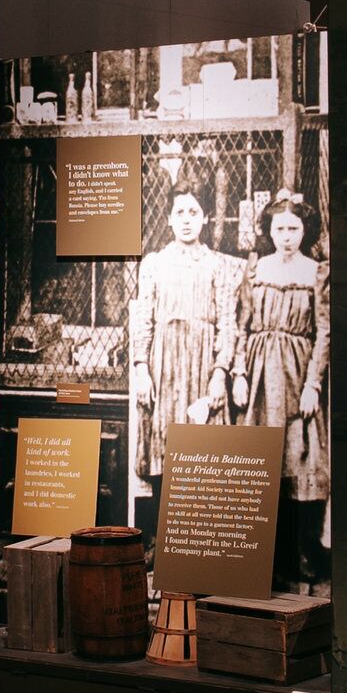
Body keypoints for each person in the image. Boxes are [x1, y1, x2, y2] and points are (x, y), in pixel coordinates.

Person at [232, 193, 329, 590]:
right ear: (268, 231)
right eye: (279, 229)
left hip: (296, 370)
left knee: (299, 461)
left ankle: (302, 554)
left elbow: (323, 333)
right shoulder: (256, 269)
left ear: (304, 231)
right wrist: (238, 372)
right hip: (257, 377)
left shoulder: (316, 273)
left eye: (293, 229)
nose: (286, 236)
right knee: (260, 460)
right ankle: (264, 558)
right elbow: (242, 325)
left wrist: (312, 386)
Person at [126, 188, 242, 497]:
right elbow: (143, 320)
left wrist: (220, 373)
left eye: (193, 212)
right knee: (164, 450)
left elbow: (228, 324)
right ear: (169, 219)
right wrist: (141, 369)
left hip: (203, 366)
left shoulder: (219, 265)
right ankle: (162, 538)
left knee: (205, 449)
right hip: (164, 368)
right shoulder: (154, 263)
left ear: (205, 218)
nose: (186, 220)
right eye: (180, 212)